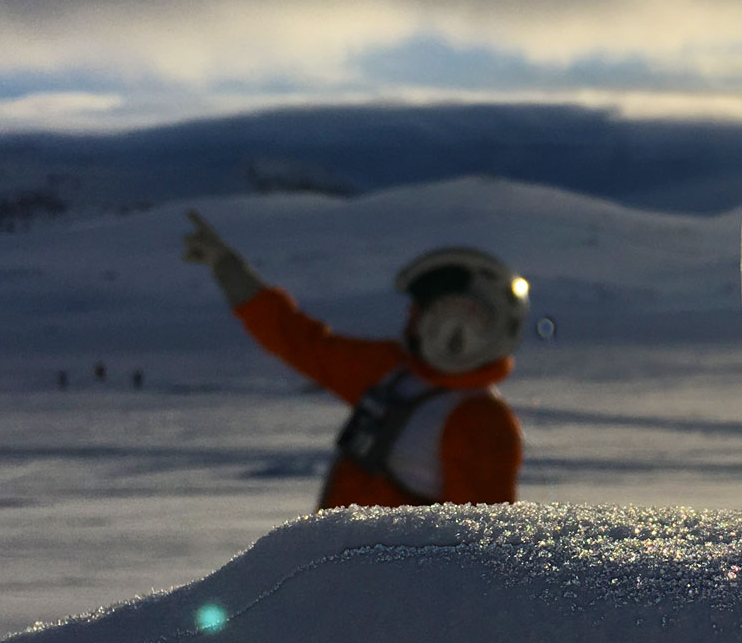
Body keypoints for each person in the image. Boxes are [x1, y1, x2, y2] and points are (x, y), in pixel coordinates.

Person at [182, 211, 526, 509]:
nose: (410, 317)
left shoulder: (481, 422)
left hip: (377, 568)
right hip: (336, 563)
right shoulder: (393, 373)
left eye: (424, 312)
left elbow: (478, 547)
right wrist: (227, 268)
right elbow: (300, 341)